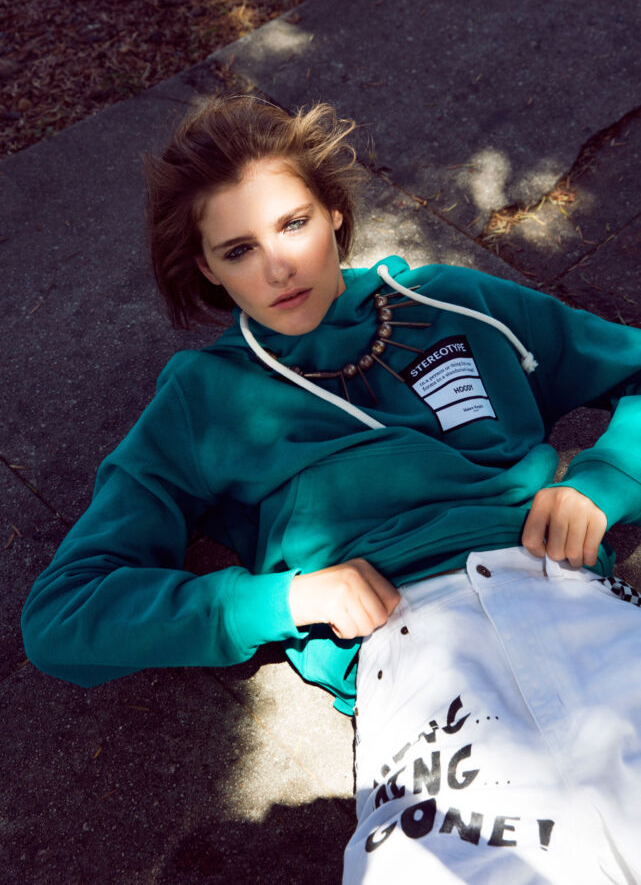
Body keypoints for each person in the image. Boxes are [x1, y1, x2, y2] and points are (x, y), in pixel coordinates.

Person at [21, 96, 641, 884]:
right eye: (238, 249)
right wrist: (282, 600)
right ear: (206, 268)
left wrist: (607, 477)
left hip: (569, 597)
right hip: (414, 667)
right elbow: (64, 616)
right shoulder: (200, 399)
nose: (277, 267)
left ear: (334, 214)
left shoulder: (455, 302)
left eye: (293, 224)